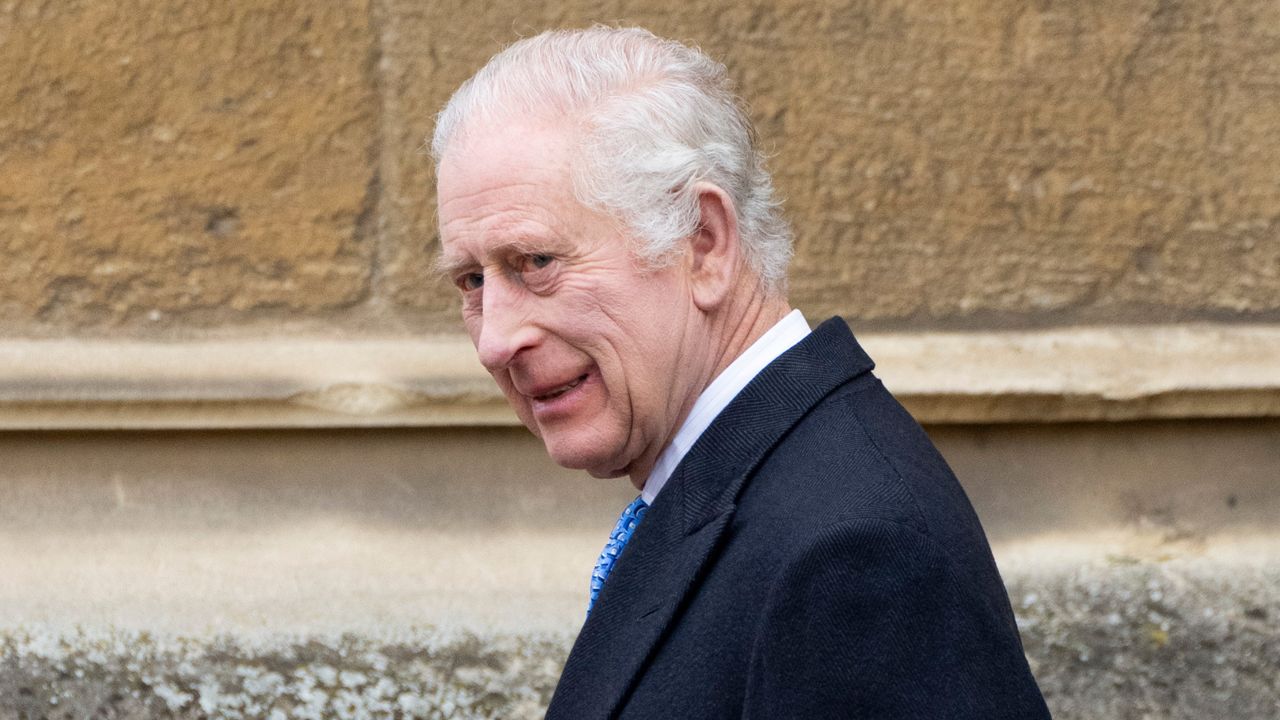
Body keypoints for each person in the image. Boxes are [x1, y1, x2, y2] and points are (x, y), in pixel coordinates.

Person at [431, 26, 1051, 720]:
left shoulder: (856, 552)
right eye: (470, 280)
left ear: (704, 245)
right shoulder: (753, 489)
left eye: (536, 263)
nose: (494, 340)